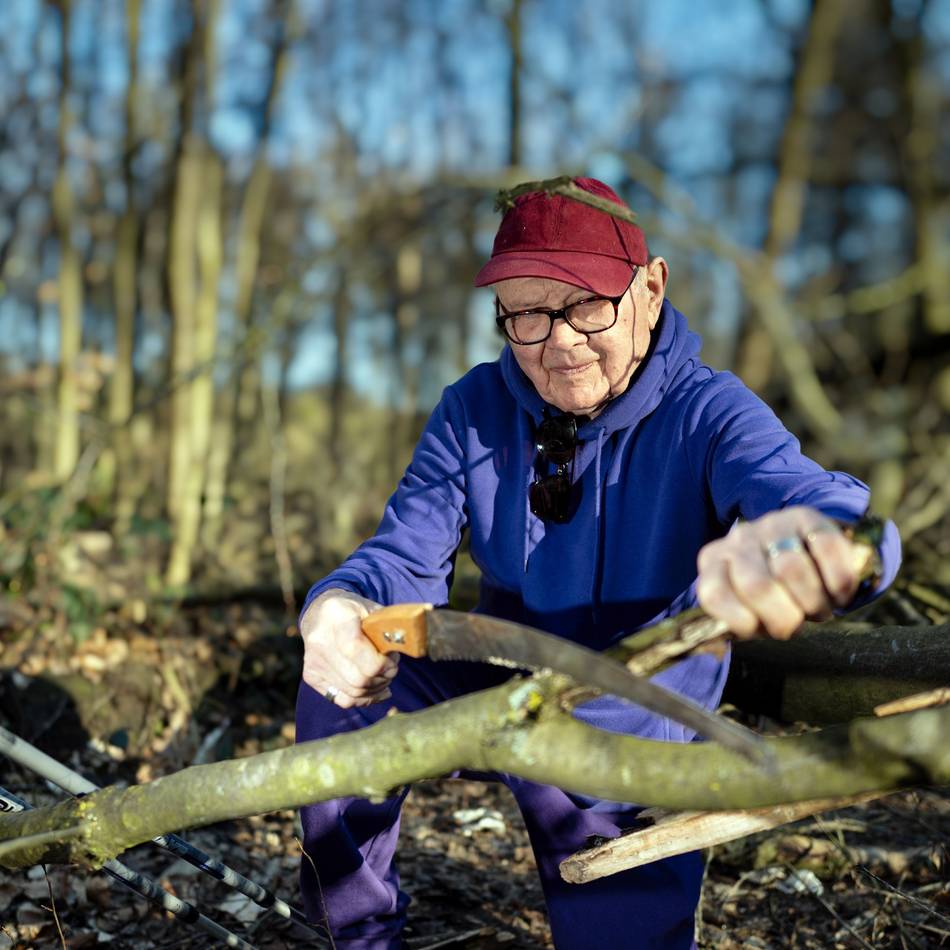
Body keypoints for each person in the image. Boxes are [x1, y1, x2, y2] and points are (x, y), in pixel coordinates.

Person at [294, 177, 900, 949]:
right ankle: (352, 932)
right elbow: (403, 555)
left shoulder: (709, 413)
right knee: (345, 668)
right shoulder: (472, 409)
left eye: (586, 304)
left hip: (626, 713)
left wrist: (816, 548)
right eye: (526, 314)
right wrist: (340, 603)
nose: (559, 341)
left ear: (650, 289)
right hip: (497, 667)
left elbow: (820, 505)